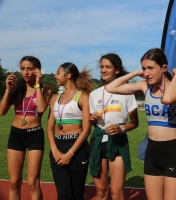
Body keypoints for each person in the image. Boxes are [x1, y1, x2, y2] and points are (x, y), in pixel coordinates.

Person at [106, 48, 176, 200]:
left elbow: (168, 99)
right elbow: (110, 87)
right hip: (152, 151)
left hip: (172, 152)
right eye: (144, 68)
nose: (146, 73)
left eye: (151, 68)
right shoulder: (145, 86)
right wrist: (135, 74)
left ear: (164, 67)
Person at [0, 56, 52, 200]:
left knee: (32, 183)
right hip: (16, 134)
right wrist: (8, 90)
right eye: (23, 69)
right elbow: (2, 111)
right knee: (14, 182)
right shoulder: (16, 88)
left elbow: (41, 109)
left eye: (29, 69)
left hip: (34, 135)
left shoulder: (45, 88)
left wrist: (37, 85)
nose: (26, 72)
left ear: (38, 71)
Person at [89, 53, 139, 200]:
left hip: (118, 142)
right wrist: (92, 119)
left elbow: (134, 122)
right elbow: (92, 124)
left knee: (117, 193)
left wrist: (121, 128)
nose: (103, 70)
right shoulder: (94, 94)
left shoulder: (127, 92)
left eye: (108, 67)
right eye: (102, 67)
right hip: (98, 141)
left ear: (117, 70)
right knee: (101, 192)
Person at [47, 62, 94, 200]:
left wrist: (70, 153)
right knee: (63, 194)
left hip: (77, 147)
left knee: (77, 194)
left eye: (57, 73)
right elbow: (49, 127)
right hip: (57, 146)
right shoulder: (55, 98)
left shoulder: (83, 96)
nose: (55, 76)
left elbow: (86, 130)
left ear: (68, 75)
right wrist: (54, 150)